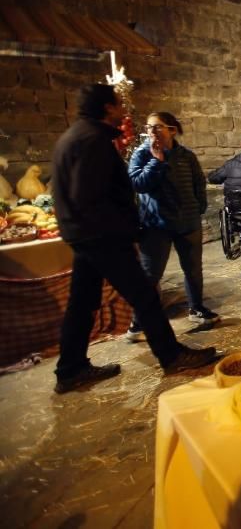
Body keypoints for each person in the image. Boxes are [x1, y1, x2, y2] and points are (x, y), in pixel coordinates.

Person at [50, 84, 217, 393]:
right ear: (107, 108)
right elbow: (92, 195)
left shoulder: (74, 137)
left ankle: (70, 369)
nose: (123, 111)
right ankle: (171, 355)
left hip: (85, 236)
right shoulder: (92, 141)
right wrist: (124, 230)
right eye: (118, 106)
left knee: (82, 303)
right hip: (102, 237)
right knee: (144, 294)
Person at [126, 111, 218, 343]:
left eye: (157, 127)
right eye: (148, 128)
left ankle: (196, 308)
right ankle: (139, 322)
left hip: (187, 222)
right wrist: (156, 162)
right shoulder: (142, 155)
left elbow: (199, 182)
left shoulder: (186, 156)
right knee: (150, 275)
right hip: (156, 225)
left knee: (193, 269)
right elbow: (137, 184)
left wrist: (197, 208)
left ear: (172, 130)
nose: (151, 132)